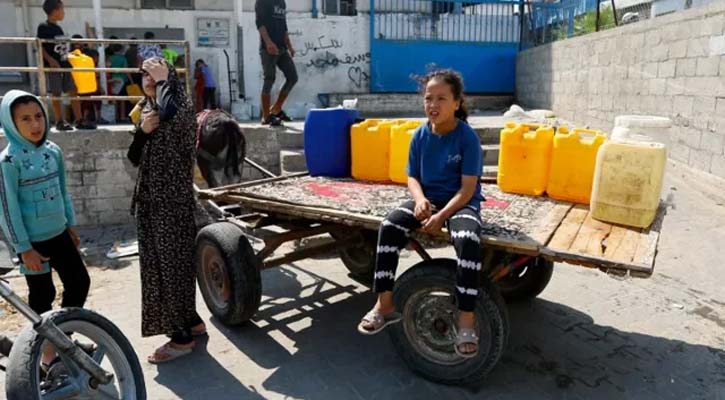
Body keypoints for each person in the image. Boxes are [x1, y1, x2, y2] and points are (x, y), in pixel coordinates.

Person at [358, 70, 484, 358]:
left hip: (460, 202)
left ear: (456, 103)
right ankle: (385, 305)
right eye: (429, 98)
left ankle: (466, 320)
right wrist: (420, 200)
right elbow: (412, 177)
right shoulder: (419, 134)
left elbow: (467, 189)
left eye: (441, 98)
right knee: (389, 226)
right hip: (427, 199)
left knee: (468, 239)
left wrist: (441, 217)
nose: (433, 104)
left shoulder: (467, 138)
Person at [0, 90, 90, 365]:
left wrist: (70, 224)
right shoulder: (8, 161)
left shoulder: (54, 152)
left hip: (59, 234)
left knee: (79, 282)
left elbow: (63, 191)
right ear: (10, 122)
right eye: (25, 119)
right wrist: (23, 248)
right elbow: (8, 209)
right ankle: (46, 356)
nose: (35, 124)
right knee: (43, 295)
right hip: (33, 244)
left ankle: (61, 339)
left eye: (38, 116)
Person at [127, 58, 205, 364]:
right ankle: (192, 322)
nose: (148, 78)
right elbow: (134, 156)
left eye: (156, 73)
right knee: (169, 267)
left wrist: (163, 82)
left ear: (169, 78)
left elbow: (172, 113)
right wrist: (143, 131)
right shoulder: (145, 109)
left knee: (171, 269)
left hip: (171, 203)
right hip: (151, 202)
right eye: (145, 73)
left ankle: (180, 338)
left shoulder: (180, 106)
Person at [37, 0, 91, 130]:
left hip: (64, 63)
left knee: (73, 90)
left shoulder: (58, 27)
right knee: (56, 92)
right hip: (54, 65)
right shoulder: (43, 27)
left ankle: (79, 120)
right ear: (55, 11)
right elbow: (40, 46)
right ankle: (59, 121)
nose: (64, 12)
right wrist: (50, 60)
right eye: (62, 9)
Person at [255, 0, 298, 126]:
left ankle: (277, 108)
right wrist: (268, 42)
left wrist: (290, 46)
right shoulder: (262, 2)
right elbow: (260, 24)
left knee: (292, 77)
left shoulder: (281, 2)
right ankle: (266, 116)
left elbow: (284, 26)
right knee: (269, 79)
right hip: (268, 48)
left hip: (282, 48)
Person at [108, 43, 134, 122]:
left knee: (114, 98)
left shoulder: (110, 58)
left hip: (112, 79)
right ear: (121, 50)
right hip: (122, 80)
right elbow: (126, 71)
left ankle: (115, 116)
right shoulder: (123, 58)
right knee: (122, 99)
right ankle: (122, 116)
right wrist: (131, 81)